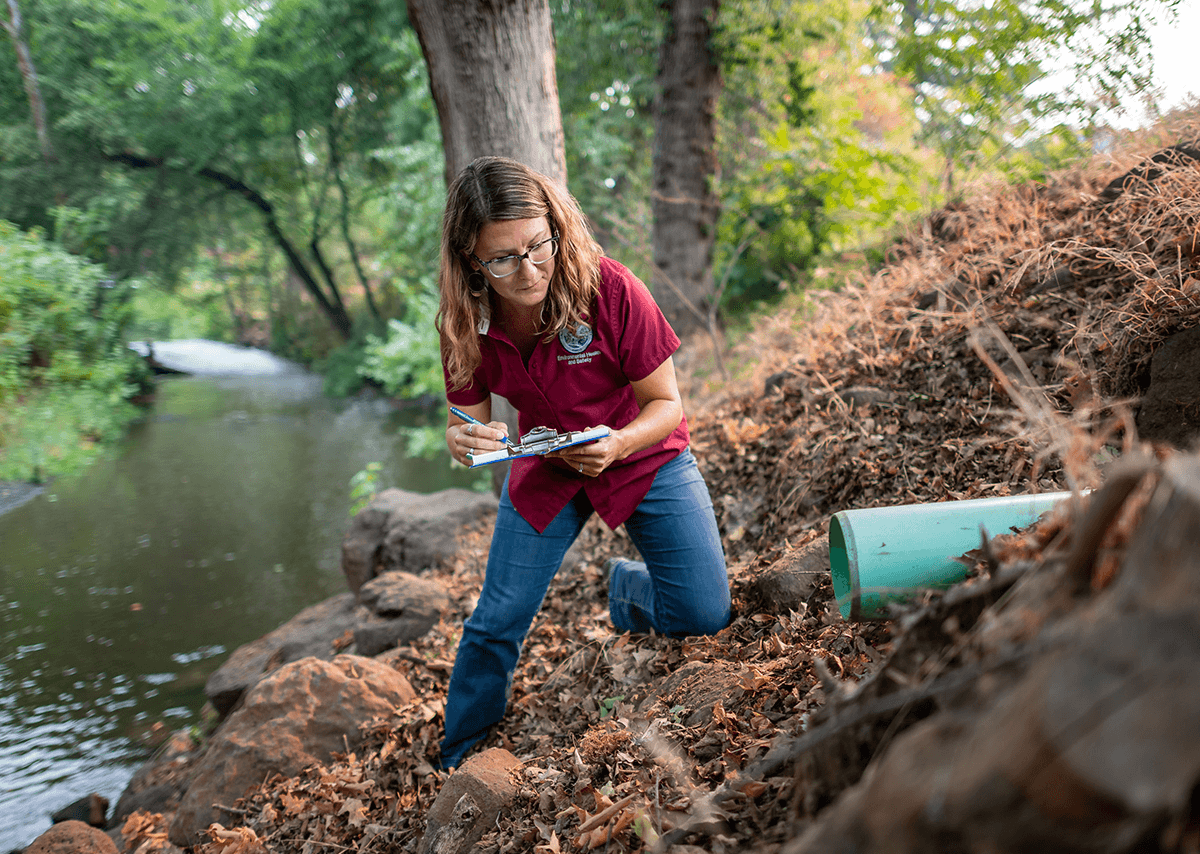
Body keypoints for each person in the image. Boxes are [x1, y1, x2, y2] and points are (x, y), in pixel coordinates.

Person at [436, 156, 730, 770]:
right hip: (546, 463)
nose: (529, 268)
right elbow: (466, 420)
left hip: (641, 451)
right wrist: (467, 439)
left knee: (704, 616)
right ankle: (461, 749)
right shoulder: (464, 322)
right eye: (504, 259)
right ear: (472, 261)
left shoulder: (613, 288)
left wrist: (619, 444)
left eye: (537, 245)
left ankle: (627, 591)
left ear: (553, 226)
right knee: (499, 616)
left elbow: (667, 406)